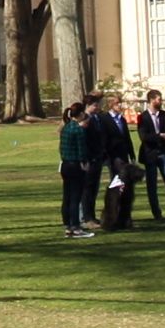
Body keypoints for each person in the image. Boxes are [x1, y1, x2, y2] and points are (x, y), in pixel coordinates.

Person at [136, 91, 165, 221]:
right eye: (158, 99)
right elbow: (144, 137)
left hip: (164, 153)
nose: (160, 101)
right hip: (150, 154)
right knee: (152, 186)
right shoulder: (143, 117)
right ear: (151, 100)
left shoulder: (164, 115)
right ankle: (157, 214)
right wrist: (159, 136)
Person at [55, 100, 95, 237]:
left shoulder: (65, 128)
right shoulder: (78, 130)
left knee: (67, 196)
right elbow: (82, 150)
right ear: (80, 114)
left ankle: (67, 224)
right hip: (75, 165)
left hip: (65, 164)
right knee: (75, 197)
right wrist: (85, 163)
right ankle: (75, 226)